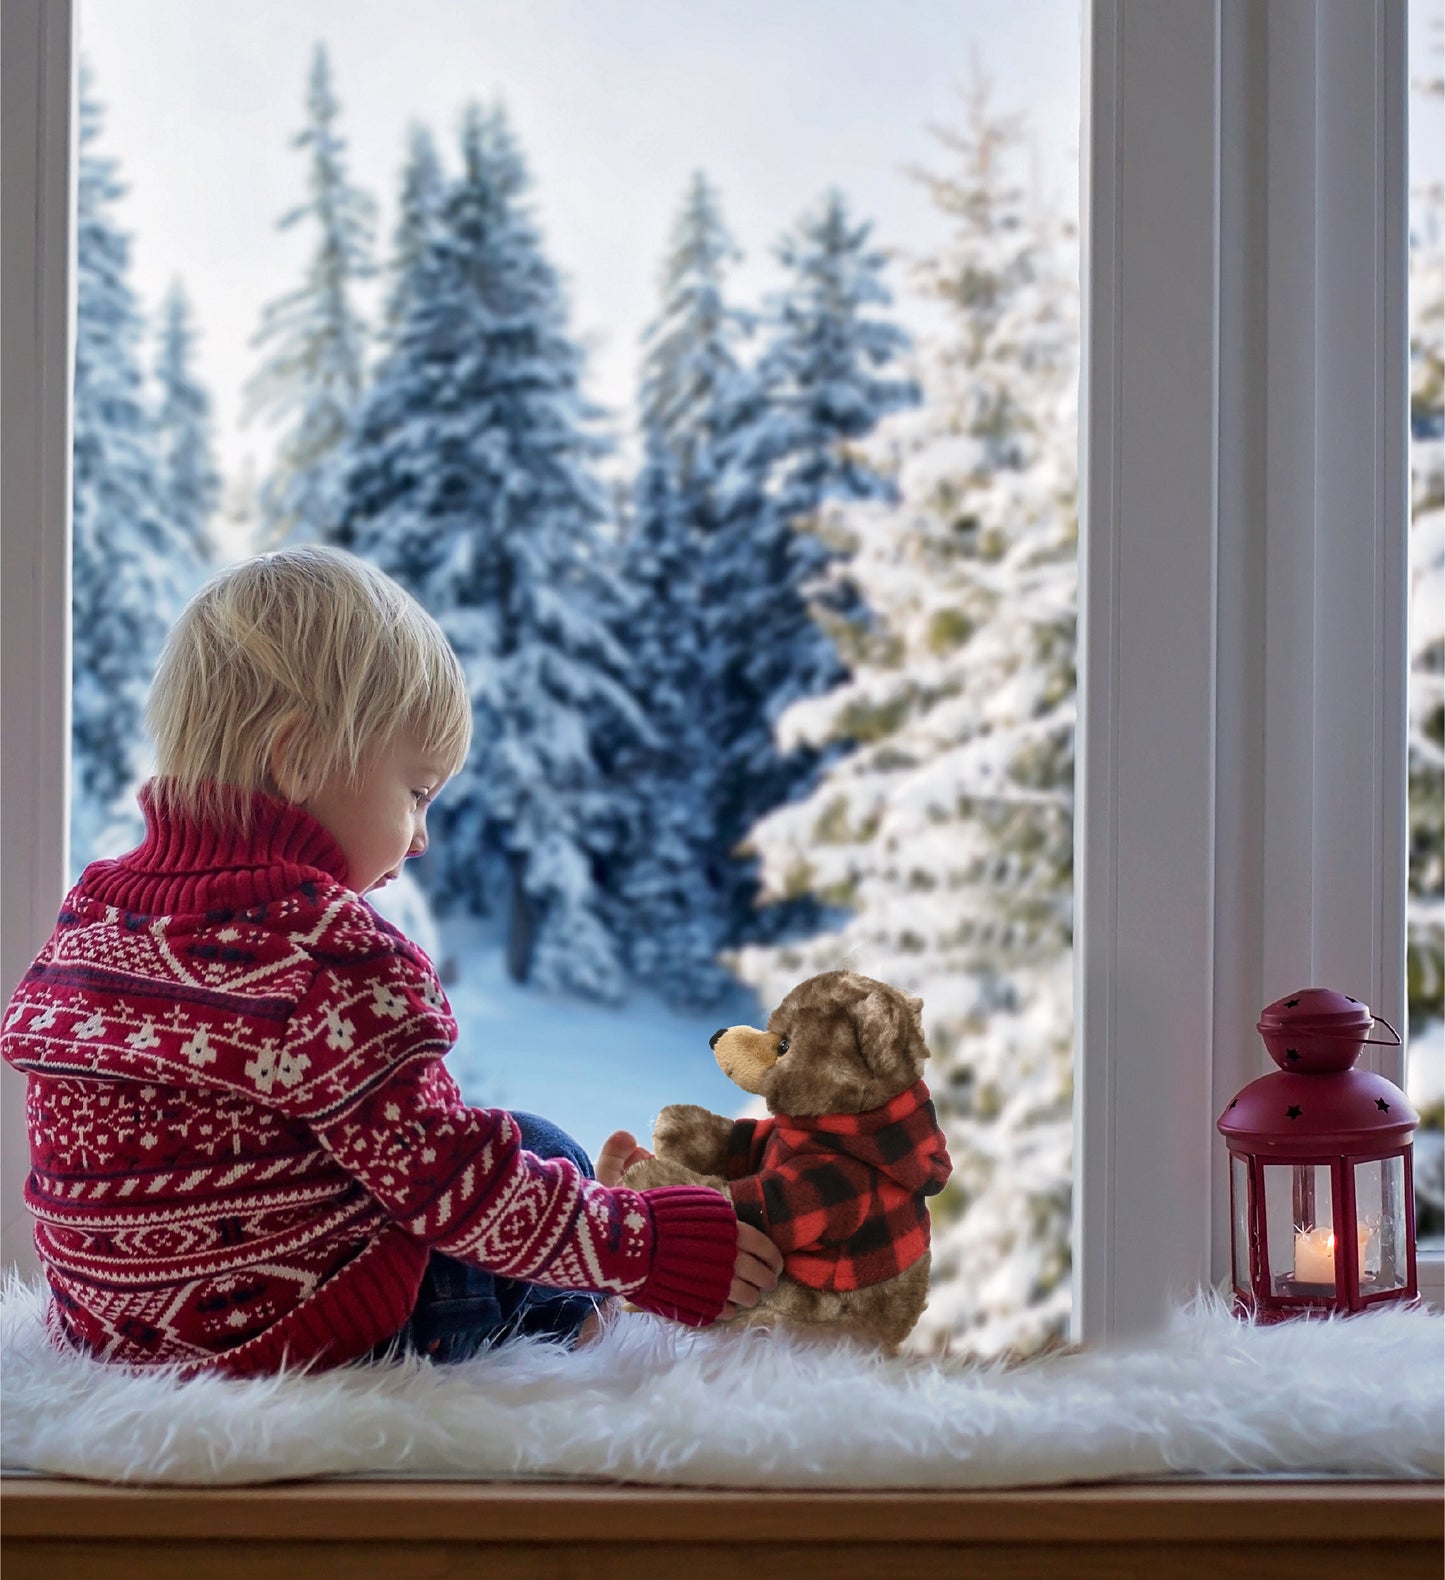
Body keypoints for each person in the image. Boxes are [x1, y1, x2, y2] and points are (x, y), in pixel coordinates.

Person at [1, 546, 780, 1374]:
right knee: (538, 1145)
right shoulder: (332, 955)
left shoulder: (94, 912)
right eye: (414, 792)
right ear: (297, 757)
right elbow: (453, 1188)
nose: (419, 838)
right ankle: (590, 1300)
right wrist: (653, 1247)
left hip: (108, 1331)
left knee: (461, 1151)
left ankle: (585, 1249)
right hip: (304, 1334)